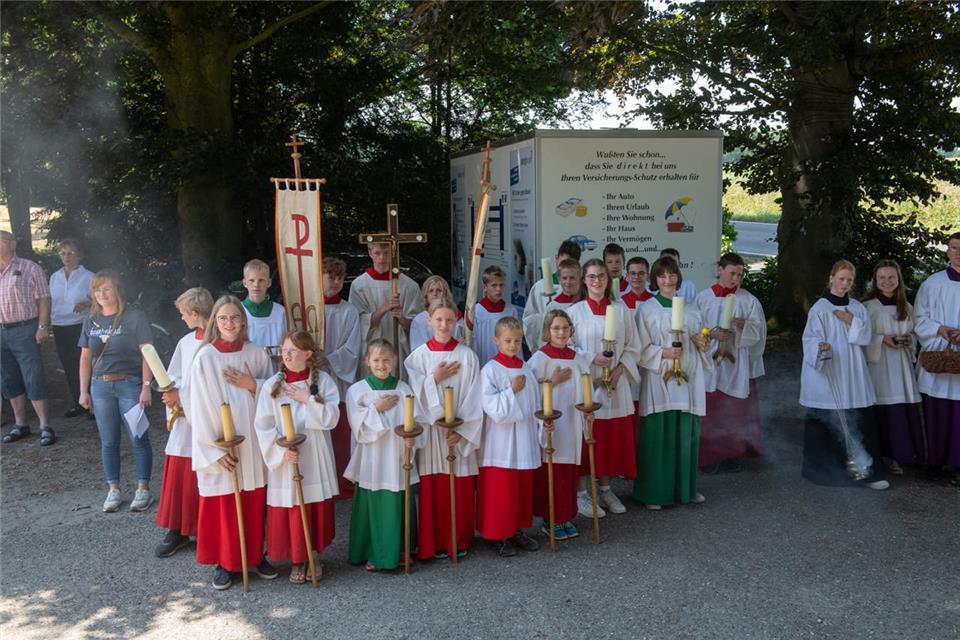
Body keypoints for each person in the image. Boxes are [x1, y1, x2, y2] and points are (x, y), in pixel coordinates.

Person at [185, 295, 277, 590]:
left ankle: (254, 556)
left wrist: (254, 386)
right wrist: (213, 451)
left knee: (253, 500)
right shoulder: (206, 357)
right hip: (222, 442)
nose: (229, 323)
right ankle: (225, 562)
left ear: (243, 321)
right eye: (223, 318)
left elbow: (276, 393)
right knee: (226, 503)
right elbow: (198, 408)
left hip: (253, 438)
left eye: (235, 318)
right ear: (214, 321)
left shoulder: (256, 353)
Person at [255, 330, 339, 584]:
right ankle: (296, 559)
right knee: (293, 505)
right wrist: (281, 451)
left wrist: (307, 399)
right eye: (284, 350)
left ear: (308, 353)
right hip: (288, 458)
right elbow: (263, 425)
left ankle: (314, 555)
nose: (287, 355)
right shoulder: (272, 386)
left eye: (293, 350)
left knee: (313, 505)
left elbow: (332, 418)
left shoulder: (323, 381)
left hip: (314, 453)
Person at [798, 260, 889, 490]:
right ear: (831, 278)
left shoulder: (857, 308)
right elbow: (809, 339)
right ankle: (825, 473)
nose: (844, 284)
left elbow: (865, 337)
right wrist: (821, 347)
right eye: (841, 279)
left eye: (849, 280)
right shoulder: (819, 309)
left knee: (860, 420)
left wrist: (852, 321)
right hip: (829, 371)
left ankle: (865, 472)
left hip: (853, 372)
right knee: (827, 421)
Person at [404, 299, 483, 560]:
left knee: (459, 488)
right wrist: (434, 379)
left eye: (449, 320)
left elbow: (475, 396)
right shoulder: (418, 358)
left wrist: (460, 430)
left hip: (457, 433)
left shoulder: (467, 355)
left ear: (457, 321)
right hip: (432, 433)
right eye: (438, 319)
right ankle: (433, 541)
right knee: (433, 488)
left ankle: (458, 540)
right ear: (428, 320)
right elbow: (412, 395)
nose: (444, 325)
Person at [634, 257, 713, 509]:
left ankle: (685, 490)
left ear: (678, 277)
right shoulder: (646, 309)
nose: (668, 280)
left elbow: (701, 342)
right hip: (660, 379)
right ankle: (655, 493)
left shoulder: (692, 309)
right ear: (655, 280)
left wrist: (703, 345)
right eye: (662, 276)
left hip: (687, 378)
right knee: (659, 435)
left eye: (672, 275)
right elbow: (638, 347)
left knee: (685, 434)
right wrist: (663, 354)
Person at [567, 259, 642, 517]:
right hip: (588, 384)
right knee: (588, 438)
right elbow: (567, 346)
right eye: (591, 277)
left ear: (608, 280)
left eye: (601, 276)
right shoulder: (574, 312)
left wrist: (621, 368)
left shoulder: (621, 310)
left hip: (615, 383)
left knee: (609, 440)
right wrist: (592, 358)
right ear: (584, 280)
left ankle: (606, 489)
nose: (597, 281)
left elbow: (634, 346)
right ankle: (583, 494)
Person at [77, 271, 155, 511]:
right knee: (108, 441)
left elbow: (147, 353)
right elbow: (85, 357)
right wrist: (84, 391)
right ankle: (113, 489)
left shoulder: (134, 317)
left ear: (118, 290)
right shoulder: (91, 320)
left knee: (138, 437)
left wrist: (146, 386)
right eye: (97, 290)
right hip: (100, 386)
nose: (101, 294)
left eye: (107, 288)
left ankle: (143, 489)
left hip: (130, 384)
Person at [344, 339, 423, 571]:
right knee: (374, 499)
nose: (381, 364)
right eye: (376, 360)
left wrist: (412, 437)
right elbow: (356, 425)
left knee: (398, 498)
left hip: (397, 455)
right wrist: (375, 409)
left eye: (387, 359)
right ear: (367, 361)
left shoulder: (404, 388)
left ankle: (399, 549)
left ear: (395, 361)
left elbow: (416, 420)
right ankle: (372, 550)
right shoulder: (357, 391)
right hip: (372, 457)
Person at [155, 287, 213, 557]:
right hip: (184, 421)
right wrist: (172, 394)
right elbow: (174, 375)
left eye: (183, 313)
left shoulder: (218, 343)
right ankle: (177, 529)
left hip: (210, 419)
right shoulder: (185, 342)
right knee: (180, 471)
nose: (181, 318)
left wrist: (183, 394)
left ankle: (206, 529)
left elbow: (216, 385)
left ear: (195, 313)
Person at [694, 253, 766, 472]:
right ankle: (707, 457)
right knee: (710, 408)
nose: (736, 278)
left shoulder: (748, 300)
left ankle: (731, 455)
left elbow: (760, 333)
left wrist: (745, 327)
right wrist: (711, 334)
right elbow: (694, 330)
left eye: (740, 274)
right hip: (709, 362)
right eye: (732, 273)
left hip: (735, 364)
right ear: (720, 270)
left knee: (733, 410)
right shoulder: (703, 298)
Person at [477, 316, 542, 556]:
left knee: (520, 486)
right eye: (507, 341)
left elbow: (535, 400)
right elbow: (491, 407)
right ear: (496, 340)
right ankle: (496, 534)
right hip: (499, 441)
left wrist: (541, 423)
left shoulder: (525, 367)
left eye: (517, 341)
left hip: (523, 437)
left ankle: (516, 530)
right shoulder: (490, 369)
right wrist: (511, 391)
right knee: (500, 488)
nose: (513, 345)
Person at [527, 310, 590, 541]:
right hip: (550, 424)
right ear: (547, 331)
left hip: (572, 421)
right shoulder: (539, 358)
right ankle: (549, 518)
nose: (561, 333)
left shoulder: (578, 359)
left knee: (567, 472)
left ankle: (566, 516)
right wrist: (551, 382)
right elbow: (530, 390)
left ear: (571, 330)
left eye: (565, 328)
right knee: (550, 471)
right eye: (556, 328)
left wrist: (588, 411)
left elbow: (586, 388)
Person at [861, 260, 924, 472]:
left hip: (901, 365)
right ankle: (882, 457)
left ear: (899, 280)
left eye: (891, 277)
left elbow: (916, 333)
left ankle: (902, 455)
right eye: (882, 278)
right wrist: (881, 339)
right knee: (882, 412)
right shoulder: (867, 307)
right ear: (874, 281)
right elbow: (860, 337)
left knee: (900, 411)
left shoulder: (906, 307)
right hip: (879, 366)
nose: (887, 282)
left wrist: (909, 340)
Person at [913, 232, 960, 480]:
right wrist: (939, 329)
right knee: (937, 413)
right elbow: (919, 318)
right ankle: (934, 463)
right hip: (939, 356)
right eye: (953, 248)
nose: (957, 253)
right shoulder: (933, 283)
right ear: (947, 251)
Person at [0, 230, 53, 445]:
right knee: (9, 378)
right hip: (0, 331)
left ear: (12, 244)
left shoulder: (29, 267)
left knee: (33, 376)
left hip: (25, 329)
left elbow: (44, 299)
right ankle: (20, 424)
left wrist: (42, 327)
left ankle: (45, 425)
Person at [318, 257, 361, 497]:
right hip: (313, 379)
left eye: (339, 277)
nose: (335, 282)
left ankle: (343, 484)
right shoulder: (308, 309)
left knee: (341, 435)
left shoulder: (349, 310)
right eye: (330, 276)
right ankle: (322, 484)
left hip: (339, 379)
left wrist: (329, 359)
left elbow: (353, 348)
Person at [349, 242, 423, 379]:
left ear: (393, 254)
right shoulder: (359, 285)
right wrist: (384, 308)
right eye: (377, 253)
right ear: (370, 253)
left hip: (399, 349)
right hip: (373, 349)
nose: (382, 258)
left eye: (386, 253)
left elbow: (419, 326)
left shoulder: (409, 286)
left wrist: (402, 318)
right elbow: (358, 323)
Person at [48, 238, 94, 418]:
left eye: (70, 253)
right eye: (63, 253)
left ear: (80, 255)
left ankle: (93, 405)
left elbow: (99, 300)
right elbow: (49, 300)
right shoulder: (55, 276)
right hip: (59, 326)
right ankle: (78, 402)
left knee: (85, 363)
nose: (66, 257)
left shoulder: (89, 276)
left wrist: (86, 303)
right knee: (68, 365)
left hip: (80, 325)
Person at [522, 240, 581, 353]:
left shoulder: (583, 290)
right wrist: (545, 317)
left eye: (570, 263)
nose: (565, 267)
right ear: (556, 257)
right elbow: (529, 320)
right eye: (563, 261)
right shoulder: (540, 286)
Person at [470, 265, 521, 367]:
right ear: (485, 287)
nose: (498, 289)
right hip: (484, 361)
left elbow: (517, 339)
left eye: (501, 285)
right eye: (494, 285)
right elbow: (473, 343)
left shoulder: (511, 311)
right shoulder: (477, 312)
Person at [241, 259, 287, 349]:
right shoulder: (238, 310)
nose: (256, 285)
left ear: (269, 282)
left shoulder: (280, 311)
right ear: (244, 283)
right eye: (251, 280)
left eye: (261, 280)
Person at [410, 275, 463, 352]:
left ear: (445, 293)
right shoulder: (419, 320)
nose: (435, 294)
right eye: (431, 291)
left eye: (439, 290)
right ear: (426, 295)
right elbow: (417, 350)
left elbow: (462, 340)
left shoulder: (455, 316)